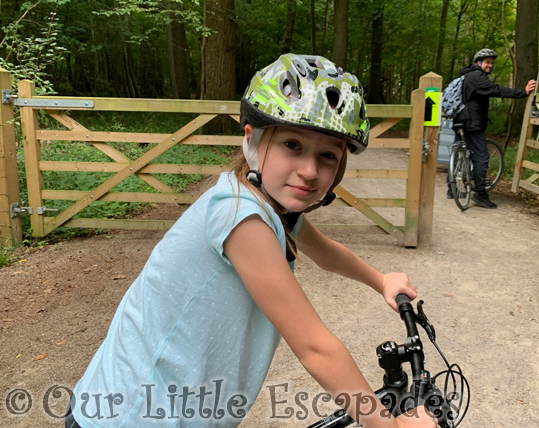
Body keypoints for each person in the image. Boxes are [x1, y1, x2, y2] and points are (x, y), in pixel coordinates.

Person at [65, 54, 437, 428]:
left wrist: (381, 280)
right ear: (253, 139)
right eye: (292, 145)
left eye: (327, 156)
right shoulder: (241, 217)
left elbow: (326, 253)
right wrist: (389, 425)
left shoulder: (267, 204)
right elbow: (314, 348)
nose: (309, 171)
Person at [447, 48, 536, 209]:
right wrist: (521, 92)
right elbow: (496, 90)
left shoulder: (467, 76)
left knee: (458, 150)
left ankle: (451, 189)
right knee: (481, 157)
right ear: (478, 63)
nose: (490, 65)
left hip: (460, 120)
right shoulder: (477, 76)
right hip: (471, 123)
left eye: (492, 63)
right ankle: (480, 193)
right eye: (487, 62)